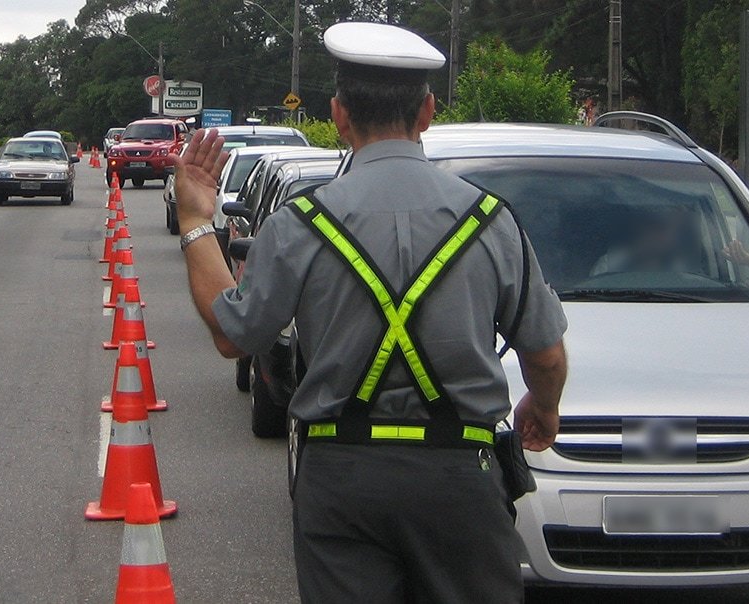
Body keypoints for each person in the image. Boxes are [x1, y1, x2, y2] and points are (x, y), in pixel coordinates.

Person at [171, 22, 568, 604]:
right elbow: (546, 354)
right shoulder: (491, 220)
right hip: (461, 477)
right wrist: (544, 405)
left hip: (341, 476)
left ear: (338, 114)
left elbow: (236, 335)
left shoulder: (301, 221)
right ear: (428, 111)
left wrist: (194, 223)